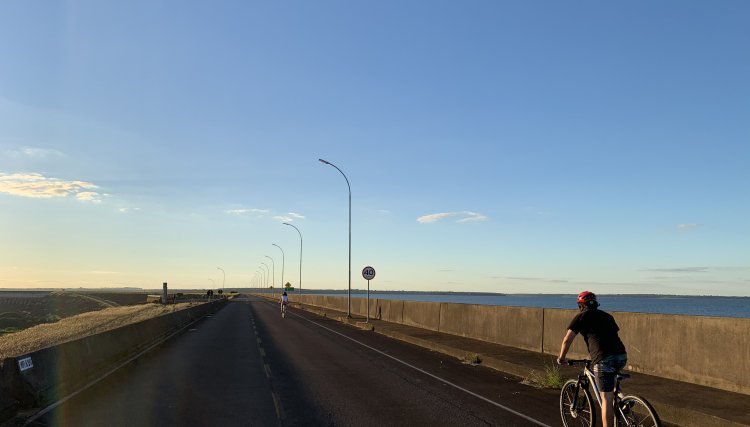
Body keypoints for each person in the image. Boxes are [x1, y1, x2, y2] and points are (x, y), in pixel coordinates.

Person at [558, 291, 627, 427]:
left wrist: (562, 358)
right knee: (610, 381)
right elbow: (607, 336)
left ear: (581, 305)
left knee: (605, 398)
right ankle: (625, 401)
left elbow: (567, 340)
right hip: (621, 356)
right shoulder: (608, 316)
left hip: (603, 359)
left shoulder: (581, 317)